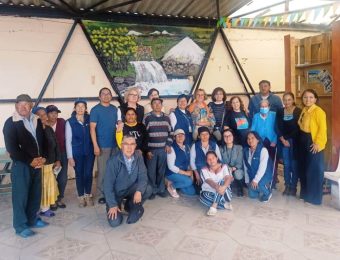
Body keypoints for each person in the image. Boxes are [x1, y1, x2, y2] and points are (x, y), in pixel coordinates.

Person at [3, 94, 48, 238]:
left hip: (38, 164)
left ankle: (32, 219)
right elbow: (12, 148)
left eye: (26, 104)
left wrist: (44, 157)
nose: (23, 107)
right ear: (16, 106)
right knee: (21, 196)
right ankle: (20, 226)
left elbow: (42, 141)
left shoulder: (36, 120)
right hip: (22, 165)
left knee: (35, 194)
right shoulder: (10, 123)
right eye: (20, 104)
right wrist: (30, 161)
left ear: (31, 105)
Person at [104, 135, 152, 227]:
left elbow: (143, 175)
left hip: (130, 189)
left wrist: (139, 191)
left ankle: (129, 206)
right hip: (116, 194)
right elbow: (107, 185)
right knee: (115, 222)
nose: (129, 147)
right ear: (121, 146)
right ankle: (119, 205)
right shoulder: (113, 161)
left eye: (132, 144)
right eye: (126, 144)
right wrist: (112, 204)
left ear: (135, 146)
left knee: (148, 189)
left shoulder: (138, 156)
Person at [90, 87, 122, 204]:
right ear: (99, 96)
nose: (106, 96)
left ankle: (112, 191)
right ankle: (102, 194)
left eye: (108, 94)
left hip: (115, 145)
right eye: (103, 94)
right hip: (102, 146)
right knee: (103, 171)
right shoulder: (95, 110)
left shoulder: (114, 109)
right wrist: (95, 146)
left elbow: (118, 125)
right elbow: (92, 129)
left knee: (114, 170)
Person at [298, 89, 327, 205]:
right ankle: (305, 194)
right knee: (304, 167)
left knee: (313, 170)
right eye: (305, 97)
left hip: (313, 141)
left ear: (315, 99)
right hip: (303, 139)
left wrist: (317, 143)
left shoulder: (319, 111)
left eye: (310, 97)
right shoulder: (304, 110)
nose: (308, 99)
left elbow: (322, 129)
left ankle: (313, 198)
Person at [66, 99, 95, 207]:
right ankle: (81, 196)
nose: (80, 108)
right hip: (76, 153)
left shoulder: (90, 119)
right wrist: (70, 157)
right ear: (74, 108)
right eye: (78, 106)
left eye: (83, 106)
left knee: (88, 173)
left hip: (89, 152)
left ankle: (88, 194)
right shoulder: (70, 122)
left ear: (86, 109)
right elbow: (68, 140)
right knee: (79, 175)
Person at [32, 107, 60, 217]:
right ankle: (36, 209)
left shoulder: (49, 129)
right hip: (40, 165)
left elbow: (56, 145)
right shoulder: (33, 130)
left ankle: (45, 208)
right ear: (35, 117)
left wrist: (57, 160)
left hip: (50, 163)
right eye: (40, 115)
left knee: (48, 187)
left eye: (44, 114)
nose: (43, 117)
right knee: (39, 187)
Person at [143, 98, 173, 199]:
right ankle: (152, 190)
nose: (157, 105)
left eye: (159, 103)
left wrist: (168, 144)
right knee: (151, 171)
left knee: (161, 171)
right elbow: (143, 135)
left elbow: (171, 132)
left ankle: (160, 189)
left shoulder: (167, 118)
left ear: (161, 105)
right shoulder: (147, 117)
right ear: (151, 106)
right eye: (154, 103)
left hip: (163, 149)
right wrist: (147, 150)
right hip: (151, 150)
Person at [276, 92, 302, 196]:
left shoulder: (298, 111)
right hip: (284, 142)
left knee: (294, 165)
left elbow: (298, 128)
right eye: (285, 100)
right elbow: (277, 126)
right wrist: (282, 139)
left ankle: (293, 187)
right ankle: (287, 186)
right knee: (286, 165)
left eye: (289, 99)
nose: (287, 102)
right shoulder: (280, 111)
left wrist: (288, 139)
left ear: (293, 100)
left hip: (295, 141)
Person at [251, 99, 278, 187]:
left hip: (271, 141)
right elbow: (253, 129)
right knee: (262, 162)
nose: (263, 108)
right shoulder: (256, 116)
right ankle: (262, 181)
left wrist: (274, 140)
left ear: (269, 107)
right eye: (262, 106)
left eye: (265, 106)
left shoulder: (274, 115)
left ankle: (272, 183)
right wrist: (254, 141)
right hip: (260, 142)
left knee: (272, 163)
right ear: (259, 108)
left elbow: (278, 129)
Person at [46, 104, 67, 209]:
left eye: (56, 113)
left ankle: (59, 198)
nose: (54, 115)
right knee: (51, 179)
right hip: (49, 156)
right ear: (47, 114)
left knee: (62, 178)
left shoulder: (62, 122)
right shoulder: (44, 125)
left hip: (62, 153)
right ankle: (52, 200)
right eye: (51, 113)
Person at [199, 151, 233, 216]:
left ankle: (214, 206)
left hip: (225, 193)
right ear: (206, 161)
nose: (211, 160)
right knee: (203, 197)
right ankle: (224, 205)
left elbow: (228, 178)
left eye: (213, 158)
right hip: (210, 192)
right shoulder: (204, 170)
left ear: (217, 158)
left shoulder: (224, 166)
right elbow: (209, 181)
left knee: (222, 182)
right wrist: (217, 187)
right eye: (209, 159)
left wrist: (223, 187)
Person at [243, 131, 274, 203]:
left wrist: (256, 180)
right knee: (252, 195)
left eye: (252, 138)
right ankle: (260, 188)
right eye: (248, 138)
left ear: (258, 139)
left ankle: (267, 192)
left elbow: (262, 167)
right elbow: (245, 167)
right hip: (253, 175)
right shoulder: (246, 151)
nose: (250, 140)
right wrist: (247, 180)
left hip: (265, 174)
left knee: (259, 184)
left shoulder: (263, 150)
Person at [166, 129, 196, 198]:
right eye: (178, 135)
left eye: (182, 135)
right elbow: (171, 166)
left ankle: (175, 183)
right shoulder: (171, 148)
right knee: (188, 182)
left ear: (185, 137)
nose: (180, 137)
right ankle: (171, 186)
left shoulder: (187, 147)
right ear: (174, 138)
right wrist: (186, 173)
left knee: (191, 192)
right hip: (172, 173)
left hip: (182, 172)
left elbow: (189, 162)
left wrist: (190, 172)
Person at [220, 129, 244, 197]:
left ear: (233, 136)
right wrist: (227, 168)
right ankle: (225, 188)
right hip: (225, 169)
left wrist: (233, 168)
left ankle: (240, 188)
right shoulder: (221, 148)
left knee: (238, 173)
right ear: (223, 138)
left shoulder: (239, 148)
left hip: (236, 169)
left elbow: (239, 163)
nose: (227, 138)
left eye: (229, 135)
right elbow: (220, 162)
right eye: (225, 136)